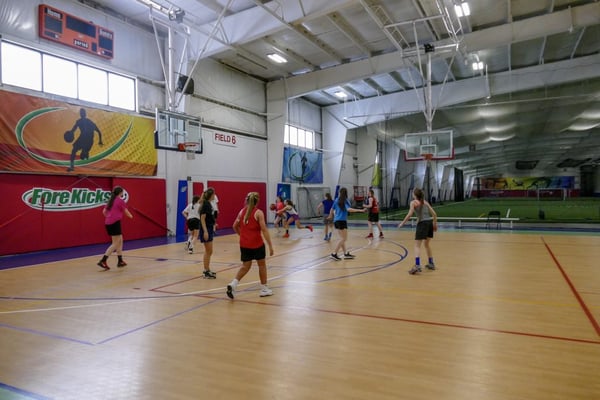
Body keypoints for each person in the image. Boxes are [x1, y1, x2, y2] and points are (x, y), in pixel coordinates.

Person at [227, 192, 274, 299]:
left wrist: (242, 235)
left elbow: (234, 226)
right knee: (261, 265)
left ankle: (233, 284)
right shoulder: (259, 213)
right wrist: (270, 246)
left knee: (245, 266)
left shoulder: (241, 212)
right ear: (257, 201)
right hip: (257, 244)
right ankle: (264, 289)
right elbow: (264, 230)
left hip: (244, 244)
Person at [397, 188, 438, 274]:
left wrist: (402, 223)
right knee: (427, 244)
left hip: (422, 224)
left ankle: (417, 265)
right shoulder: (425, 202)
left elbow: (410, 214)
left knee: (417, 245)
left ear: (415, 195)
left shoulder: (413, 202)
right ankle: (431, 263)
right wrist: (434, 224)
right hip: (429, 223)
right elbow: (434, 214)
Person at [97, 186, 133, 270]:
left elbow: (104, 212)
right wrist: (131, 216)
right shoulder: (120, 201)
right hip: (115, 223)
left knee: (120, 240)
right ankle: (103, 260)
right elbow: (126, 212)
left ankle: (120, 261)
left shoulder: (111, 200)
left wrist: (109, 217)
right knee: (115, 244)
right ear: (120, 193)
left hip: (109, 223)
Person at [328, 187, 365, 260]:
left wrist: (330, 216)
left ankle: (345, 253)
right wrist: (360, 210)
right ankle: (334, 253)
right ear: (346, 193)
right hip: (342, 221)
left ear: (340, 193)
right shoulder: (345, 200)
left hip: (336, 221)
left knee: (342, 238)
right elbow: (349, 209)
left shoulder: (336, 200)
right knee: (344, 238)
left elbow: (332, 209)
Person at [67, 108, 103, 172]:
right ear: (80, 114)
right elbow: (73, 129)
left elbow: (99, 131)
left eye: (83, 113)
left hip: (89, 141)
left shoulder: (90, 122)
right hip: (82, 138)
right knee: (74, 150)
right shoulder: (79, 121)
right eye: (81, 113)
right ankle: (71, 167)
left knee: (82, 157)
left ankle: (85, 153)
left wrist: (100, 141)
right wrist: (70, 133)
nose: (82, 114)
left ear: (85, 114)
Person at [199, 188, 218, 279]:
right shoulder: (206, 204)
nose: (215, 196)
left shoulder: (208, 204)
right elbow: (202, 218)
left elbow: (208, 218)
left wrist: (213, 223)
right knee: (208, 251)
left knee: (209, 251)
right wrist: (205, 231)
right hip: (206, 229)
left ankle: (207, 270)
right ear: (211, 195)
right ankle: (206, 271)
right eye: (214, 194)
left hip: (209, 228)